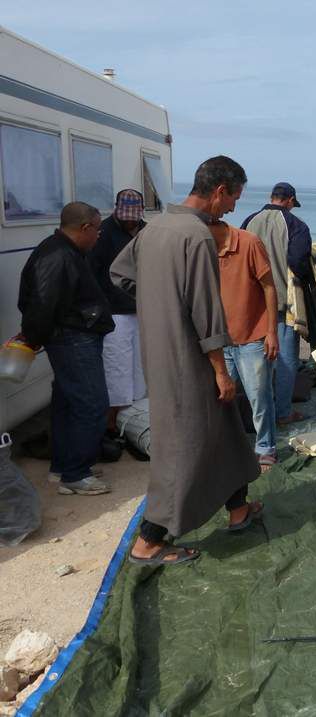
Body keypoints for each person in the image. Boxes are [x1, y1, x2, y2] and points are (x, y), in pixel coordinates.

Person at [111, 156, 261, 565]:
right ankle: (149, 539)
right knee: (184, 444)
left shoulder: (154, 226)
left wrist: (158, 304)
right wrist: (220, 371)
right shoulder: (196, 236)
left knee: (225, 430)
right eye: (232, 199)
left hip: (159, 351)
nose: (232, 209)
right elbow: (206, 314)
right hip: (188, 359)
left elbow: (119, 274)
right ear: (218, 192)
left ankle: (239, 508)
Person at [17, 202, 114, 495]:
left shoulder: (63, 250)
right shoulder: (58, 255)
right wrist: (33, 338)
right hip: (73, 340)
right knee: (92, 404)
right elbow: (40, 303)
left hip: (73, 337)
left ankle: (63, 466)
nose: (99, 236)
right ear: (85, 228)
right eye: (97, 230)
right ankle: (75, 474)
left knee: (67, 403)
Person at [209, 220, 280, 470]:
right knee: (221, 397)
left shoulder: (249, 243)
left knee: (259, 397)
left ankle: (266, 447)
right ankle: (228, 447)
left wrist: (271, 331)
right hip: (219, 340)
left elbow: (270, 287)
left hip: (252, 337)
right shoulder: (202, 249)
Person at [241, 182, 313, 425]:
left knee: (253, 360)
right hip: (283, 303)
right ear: (290, 200)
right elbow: (298, 262)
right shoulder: (297, 226)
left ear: (271, 197)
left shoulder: (249, 221)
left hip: (251, 302)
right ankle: (282, 412)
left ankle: (253, 413)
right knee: (285, 359)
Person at [88, 189, 147, 437]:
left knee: (139, 369)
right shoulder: (104, 233)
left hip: (141, 309)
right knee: (116, 370)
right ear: (117, 209)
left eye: (134, 216)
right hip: (114, 314)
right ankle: (110, 425)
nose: (130, 221)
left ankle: (134, 422)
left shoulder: (147, 230)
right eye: (126, 216)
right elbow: (91, 272)